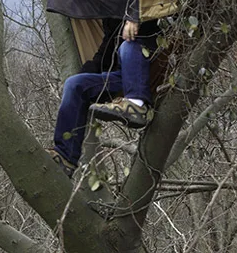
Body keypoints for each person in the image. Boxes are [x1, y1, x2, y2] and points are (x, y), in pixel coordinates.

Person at [48, 17, 161, 178]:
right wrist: (85, 73)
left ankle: (136, 106)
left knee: (128, 46)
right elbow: (106, 51)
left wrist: (135, 19)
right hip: (123, 76)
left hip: (154, 64)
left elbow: (162, 12)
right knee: (74, 84)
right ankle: (65, 157)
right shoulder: (112, 14)